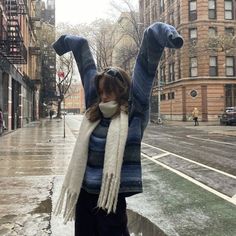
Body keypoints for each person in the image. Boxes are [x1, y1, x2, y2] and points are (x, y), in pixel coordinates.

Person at [52, 22, 183, 236]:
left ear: (122, 92)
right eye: (101, 91)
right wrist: (66, 43)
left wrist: (164, 35)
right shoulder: (93, 110)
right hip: (85, 194)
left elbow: (145, 68)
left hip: (111, 197)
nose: (103, 97)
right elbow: (84, 56)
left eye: (109, 92)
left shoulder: (133, 115)